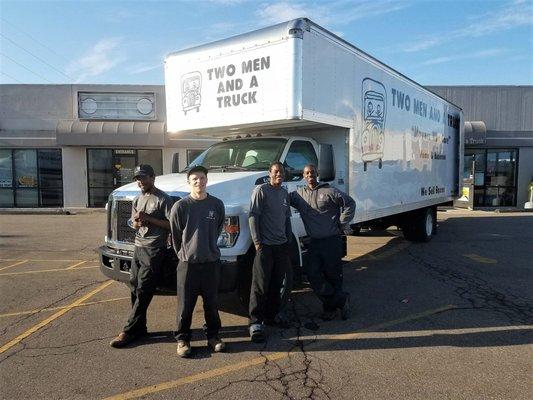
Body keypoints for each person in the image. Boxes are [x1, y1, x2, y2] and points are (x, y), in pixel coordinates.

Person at [110, 164, 173, 348]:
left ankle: (128, 331)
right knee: (134, 286)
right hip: (138, 246)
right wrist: (137, 222)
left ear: (153, 178)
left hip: (154, 249)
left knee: (144, 289)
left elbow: (171, 225)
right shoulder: (137, 199)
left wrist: (149, 219)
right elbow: (135, 223)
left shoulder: (163, 199)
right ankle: (140, 328)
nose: (140, 182)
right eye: (137, 178)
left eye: (143, 178)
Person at [169, 165, 226, 358]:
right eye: (195, 179)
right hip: (188, 265)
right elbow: (175, 236)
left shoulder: (216, 204)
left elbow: (218, 228)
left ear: (206, 180)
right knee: (185, 305)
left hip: (211, 263)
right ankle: (183, 339)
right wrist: (185, 254)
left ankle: (213, 337)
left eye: (202, 178)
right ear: (189, 182)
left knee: (211, 303)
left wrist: (208, 248)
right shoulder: (181, 206)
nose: (199, 182)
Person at [289, 164, 355, 320]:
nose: (310, 175)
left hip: (332, 241)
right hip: (314, 243)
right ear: (303, 176)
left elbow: (350, 203)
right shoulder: (298, 195)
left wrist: (342, 222)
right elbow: (280, 197)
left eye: (312, 172)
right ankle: (341, 300)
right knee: (313, 275)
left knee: (333, 275)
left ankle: (329, 309)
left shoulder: (330, 191)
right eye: (307, 173)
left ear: (317, 174)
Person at [248, 161, 292, 343]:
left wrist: (288, 239)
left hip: (281, 246)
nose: (278, 174)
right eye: (275, 172)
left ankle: (272, 316)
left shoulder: (284, 193)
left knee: (276, 283)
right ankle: (255, 322)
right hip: (265, 246)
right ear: (269, 173)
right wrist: (257, 242)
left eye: (281, 172)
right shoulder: (261, 191)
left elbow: (287, 219)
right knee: (260, 285)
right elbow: (253, 216)